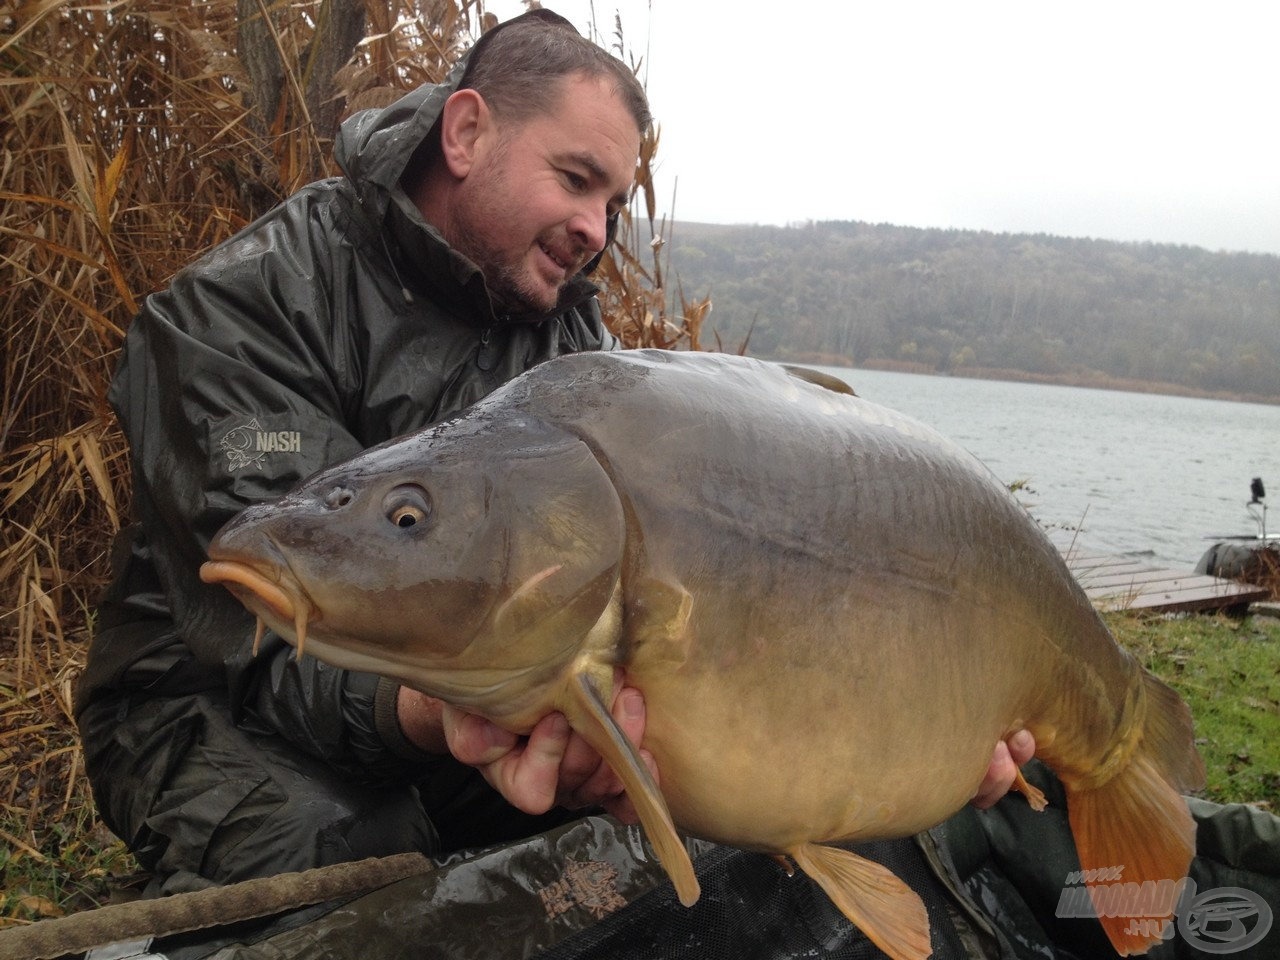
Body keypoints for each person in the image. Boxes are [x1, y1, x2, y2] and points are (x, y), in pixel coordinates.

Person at [75, 5, 1035, 940]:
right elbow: (259, 631)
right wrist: (453, 714)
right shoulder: (246, 305)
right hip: (208, 704)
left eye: (613, 203)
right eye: (575, 180)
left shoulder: (576, 350)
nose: (596, 230)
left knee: (658, 849)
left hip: (483, 692)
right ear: (466, 132)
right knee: (343, 860)